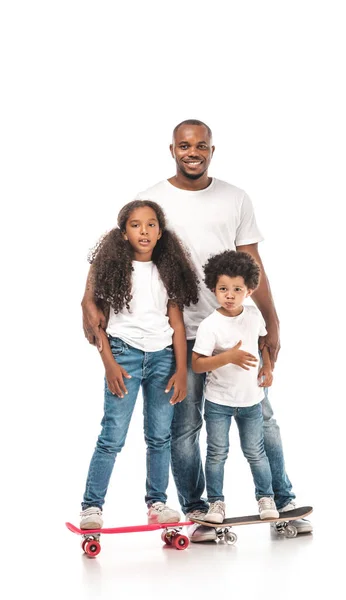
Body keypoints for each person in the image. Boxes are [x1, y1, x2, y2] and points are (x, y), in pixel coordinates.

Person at [81, 119, 313, 539]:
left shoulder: (235, 197)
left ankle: (284, 502)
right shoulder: (151, 199)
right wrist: (86, 300)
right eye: (184, 145)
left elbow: (253, 263)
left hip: (234, 329)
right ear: (172, 149)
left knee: (261, 418)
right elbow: (114, 249)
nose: (193, 152)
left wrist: (272, 321)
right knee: (183, 428)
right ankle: (198, 511)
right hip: (178, 334)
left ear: (211, 149)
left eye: (201, 145)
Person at [79, 200, 199, 529]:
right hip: (124, 354)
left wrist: (180, 371)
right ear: (123, 233)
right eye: (135, 225)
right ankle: (92, 506)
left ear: (160, 232)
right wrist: (110, 364)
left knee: (159, 437)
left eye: (150, 224)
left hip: (163, 359)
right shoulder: (114, 270)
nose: (143, 230)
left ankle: (158, 504)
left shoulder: (168, 270)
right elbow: (98, 326)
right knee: (112, 436)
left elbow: (177, 325)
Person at [192, 250, 279, 523]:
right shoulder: (210, 325)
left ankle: (266, 498)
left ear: (249, 290)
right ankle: (216, 503)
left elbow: (263, 343)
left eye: (236, 289)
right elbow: (197, 364)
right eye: (223, 289)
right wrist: (228, 357)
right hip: (219, 402)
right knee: (217, 454)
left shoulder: (253, 318)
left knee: (256, 452)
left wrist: (267, 367)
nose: (229, 295)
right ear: (214, 289)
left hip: (251, 401)